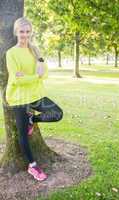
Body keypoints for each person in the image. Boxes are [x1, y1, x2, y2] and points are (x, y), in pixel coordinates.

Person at [5, 17, 63, 181]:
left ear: (31, 32)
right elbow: (16, 80)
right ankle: (32, 166)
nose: (25, 35)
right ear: (16, 32)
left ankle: (33, 119)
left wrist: (33, 76)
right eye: (21, 31)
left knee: (57, 113)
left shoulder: (35, 50)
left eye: (27, 31)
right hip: (19, 98)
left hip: (36, 94)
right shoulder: (11, 53)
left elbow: (45, 73)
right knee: (23, 135)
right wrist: (35, 76)